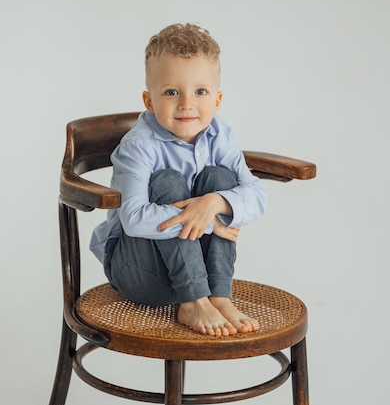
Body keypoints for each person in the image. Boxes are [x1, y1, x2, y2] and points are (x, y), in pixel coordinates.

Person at [90, 23, 266, 337]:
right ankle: (194, 299)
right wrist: (210, 220)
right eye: (171, 92)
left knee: (221, 180)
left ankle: (218, 295)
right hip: (142, 274)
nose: (186, 104)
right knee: (168, 182)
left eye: (200, 92)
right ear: (148, 100)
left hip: (203, 270)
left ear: (217, 99)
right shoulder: (138, 146)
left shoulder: (220, 134)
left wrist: (215, 203)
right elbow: (132, 219)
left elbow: (257, 196)